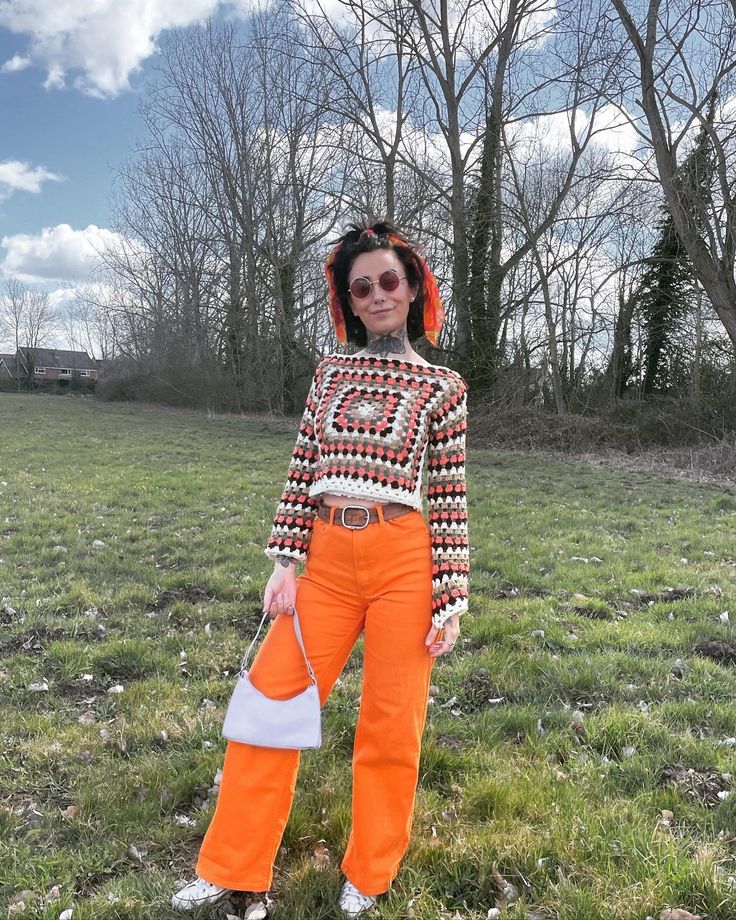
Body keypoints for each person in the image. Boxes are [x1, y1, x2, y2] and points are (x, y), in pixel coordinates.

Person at [172, 219, 470, 916]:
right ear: (348, 299)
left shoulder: (445, 389)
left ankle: (370, 872)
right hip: (327, 561)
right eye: (360, 285)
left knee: (392, 724)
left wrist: (448, 594)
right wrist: (286, 559)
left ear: (414, 286)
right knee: (269, 707)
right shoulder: (330, 372)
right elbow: (303, 465)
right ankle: (230, 864)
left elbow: (451, 495)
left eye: (388, 281)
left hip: (405, 557)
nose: (376, 294)